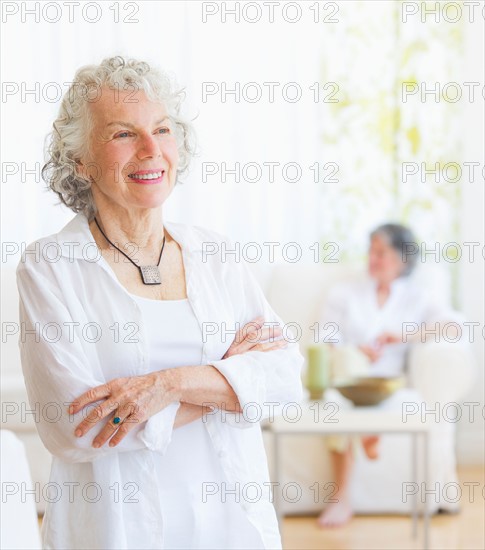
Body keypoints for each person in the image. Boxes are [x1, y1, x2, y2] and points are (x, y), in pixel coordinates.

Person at [16, 56, 304, 549]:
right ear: (80, 160)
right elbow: (76, 429)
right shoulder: (51, 266)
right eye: (123, 134)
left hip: (233, 529)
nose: (151, 150)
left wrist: (166, 387)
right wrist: (228, 380)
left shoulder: (215, 253)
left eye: (162, 129)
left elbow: (283, 381)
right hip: (118, 533)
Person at [317, 223, 460, 527]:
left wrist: (403, 335)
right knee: (345, 362)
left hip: (385, 384)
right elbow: (325, 336)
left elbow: (453, 326)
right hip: (345, 378)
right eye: (371, 251)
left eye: (380, 253)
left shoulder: (416, 296)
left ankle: (343, 493)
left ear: (402, 259)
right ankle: (362, 445)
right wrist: (356, 349)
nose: (372, 259)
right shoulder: (345, 291)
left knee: (345, 392)